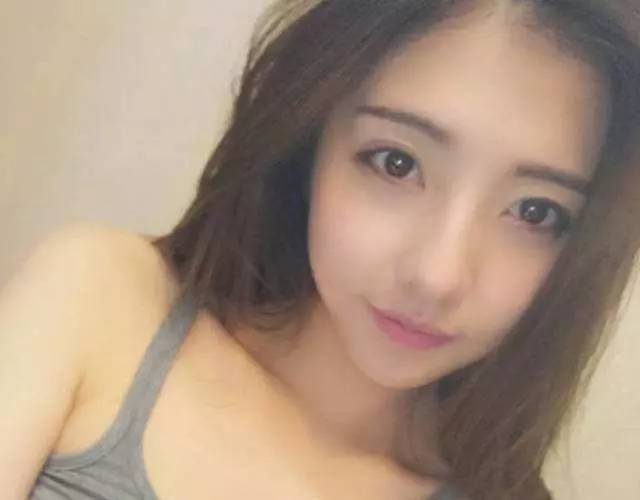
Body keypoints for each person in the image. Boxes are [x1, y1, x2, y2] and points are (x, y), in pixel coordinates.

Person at [2, 0, 640, 499]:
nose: (438, 274)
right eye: (396, 163)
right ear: (309, 141)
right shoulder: (102, 301)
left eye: (534, 212)